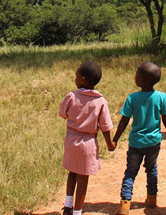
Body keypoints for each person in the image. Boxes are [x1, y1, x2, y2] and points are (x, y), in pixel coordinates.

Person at [113, 62, 166, 215]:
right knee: (151, 169)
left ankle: (125, 204)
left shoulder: (132, 98)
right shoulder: (161, 97)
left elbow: (124, 121)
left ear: (143, 80)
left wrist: (115, 139)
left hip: (136, 143)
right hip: (153, 142)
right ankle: (152, 199)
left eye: (137, 74)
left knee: (131, 172)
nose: (135, 76)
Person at [59, 61, 115, 215]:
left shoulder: (71, 96)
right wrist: (110, 144)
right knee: (83, 178)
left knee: (72, 172)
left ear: (82, 79)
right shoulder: (100, 101)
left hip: (71, 140)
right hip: (88, 143)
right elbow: (105, 127)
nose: (75, 79)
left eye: (76, 76)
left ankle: (68, 205)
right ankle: (78, 212)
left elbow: (62, 113)